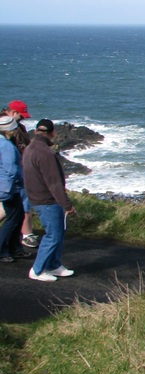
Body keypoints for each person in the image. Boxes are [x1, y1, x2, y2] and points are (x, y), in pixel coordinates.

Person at [22, 119, 76, 282]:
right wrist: (66, 204)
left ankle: (54, 265)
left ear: (37, 131)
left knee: (58, 232)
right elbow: (54, 182)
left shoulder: (30, 148)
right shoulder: (45, 153)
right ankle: (37, 270)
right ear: (52, 133)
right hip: (46, 200)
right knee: (52, 235)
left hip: (36, 197)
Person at [2, 100, 39, 248]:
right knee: (20, 204)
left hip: (14, 171)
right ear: (12, 113)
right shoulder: (8, 130)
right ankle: (26, 235)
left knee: (14, 205)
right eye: (21, 115)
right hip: (13, 172)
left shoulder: (15, 127)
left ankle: (22, 236)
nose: (23, 118)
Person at [0, 115, 30, 263]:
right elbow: (11, 169)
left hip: (7, 186)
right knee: (13, 219)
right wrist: (20, 180)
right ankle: (3, 250)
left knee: (17, 217)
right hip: (10, 187)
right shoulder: (6, 146)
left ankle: (14, 248)